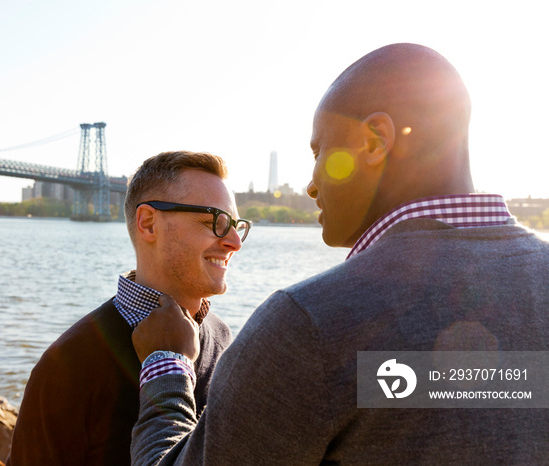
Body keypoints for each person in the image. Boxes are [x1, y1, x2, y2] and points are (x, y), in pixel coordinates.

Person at [130, 43, 549, 464]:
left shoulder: (308, 326)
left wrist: (166, 363)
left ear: (375, 142)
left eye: (319, 152)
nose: (312, 185)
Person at [7, 151, 251, 465]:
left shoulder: (220, 337)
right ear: (148, 223)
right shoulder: (67, 364)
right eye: (213, 222)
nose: (235, 242)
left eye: (235, 225)